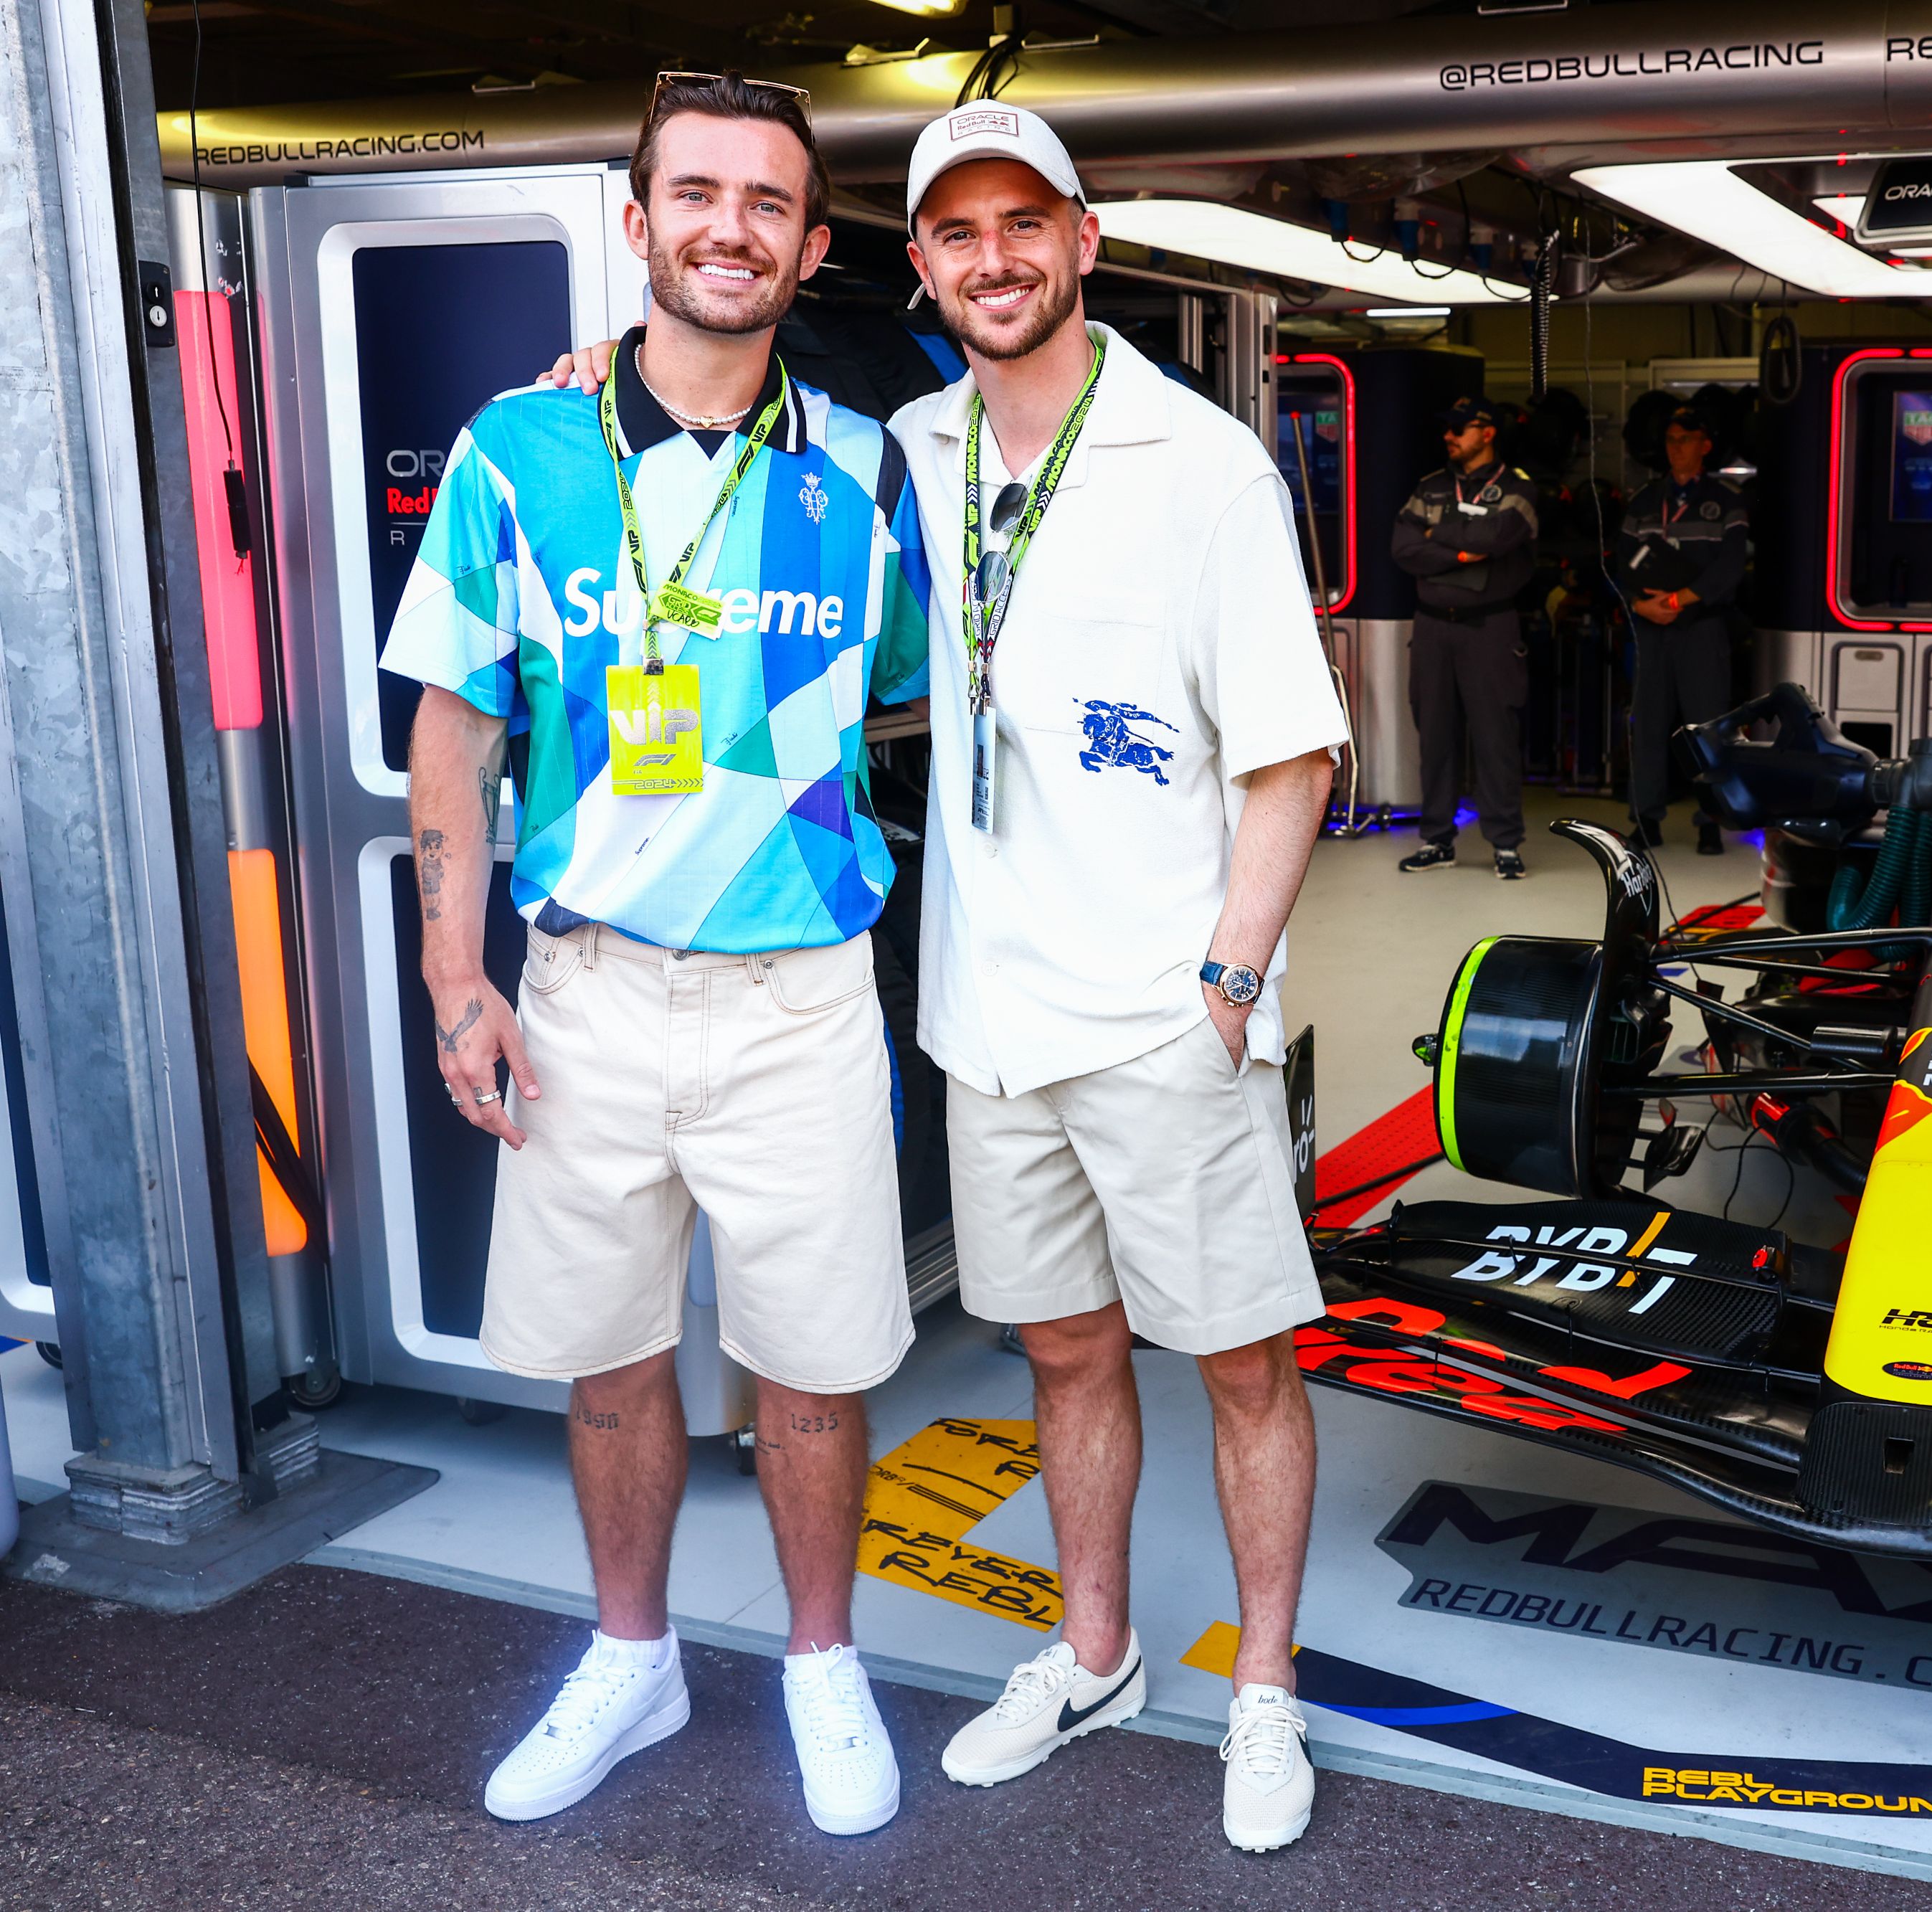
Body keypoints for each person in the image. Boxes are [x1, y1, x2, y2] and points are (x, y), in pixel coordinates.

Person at [392, 73, 929, 1837]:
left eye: (766, 202)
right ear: (637, 224)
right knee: (609, 1355)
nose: (727, 226)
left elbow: (918, 693)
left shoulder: (866, 466)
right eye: (693, 192)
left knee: (811, 1363)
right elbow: (455, 728)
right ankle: (634, 1654)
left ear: (810, 245)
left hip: (799, 995)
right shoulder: (512, 449)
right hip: (587, 987)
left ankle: (818, 1658)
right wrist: (453, 974)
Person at [894, 104, 1344, 1852]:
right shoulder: (919, 439)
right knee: (1067, 1354)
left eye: (1024, 221)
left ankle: (1268, 1688)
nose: (991, 256)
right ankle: (1095, 1652)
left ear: (1082, 239)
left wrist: (1226, 985)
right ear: (920, 266)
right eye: (955, 231)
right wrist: (602, 357)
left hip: (1166, 1013)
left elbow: (1292, 756)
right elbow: (716, 387)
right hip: (989, 1019)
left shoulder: (1199, 459)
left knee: (1238, 1363)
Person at [1391, 398, 1539, 879]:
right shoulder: (1430, 487)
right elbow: (1403, 548)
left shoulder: (1517, 488)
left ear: (1488, 432)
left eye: (1459, 428)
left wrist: (1438, 535)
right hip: (1433, 626)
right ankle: (1437, 840)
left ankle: (1505, 844)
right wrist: (1456, 553)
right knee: (1434, 734)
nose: (1449, 436)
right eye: (1447, 428)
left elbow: (1497, 540)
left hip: (1490, 629)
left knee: (1495, 737)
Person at [1614, 404, 1749, 854]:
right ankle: (1646, 819)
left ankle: (1709, 820)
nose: (1677, 448)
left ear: (1705, 446)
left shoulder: (1728, 502)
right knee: (1647, 725)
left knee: (1707, 730)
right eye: (1672, 440)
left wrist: (1677, 601)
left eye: (1687, 439)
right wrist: (1641, 606)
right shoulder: (1645, 501)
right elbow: (1617, 566)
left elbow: (1730, 569)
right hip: (1651, 628)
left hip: (1702, 630)